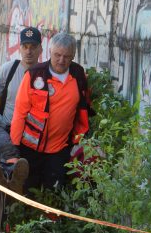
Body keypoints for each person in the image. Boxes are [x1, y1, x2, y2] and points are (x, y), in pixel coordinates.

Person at [11, 32, 92, 191]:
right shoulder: (34, 75)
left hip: (60, 149)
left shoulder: (78, 74)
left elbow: (84, 107)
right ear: (50, 52)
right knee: (28, 191)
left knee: (53, 192)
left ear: (73, 55)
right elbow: (20, 113)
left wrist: (80, 139)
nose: (61, 60)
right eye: (57, 55)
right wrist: (15, 148)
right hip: (30, 148)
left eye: (67, 56)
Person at [0, 26, 43, 128]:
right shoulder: (8, 69)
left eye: (33, 47)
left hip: (34, 134)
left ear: (40, 49)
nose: (28, 51)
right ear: (20, 48)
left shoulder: (44, 74)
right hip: (7, 130)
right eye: (25, 46)